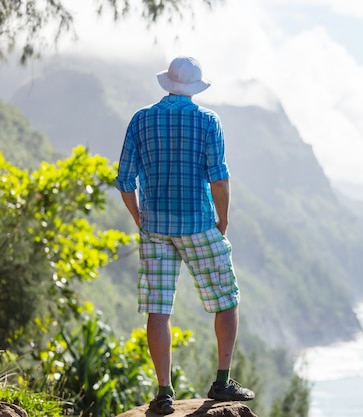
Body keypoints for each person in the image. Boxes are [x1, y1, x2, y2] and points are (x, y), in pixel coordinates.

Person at [116, 56, 255, 415]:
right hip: (198, 223)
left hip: (155, 225)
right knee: (226, 298)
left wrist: (139, 218)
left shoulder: (141, 119)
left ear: (167, 84)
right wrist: (222, 219)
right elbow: (219, 177)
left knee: (158, 308)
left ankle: (164, 393)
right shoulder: (208, 121)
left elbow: (124, 179)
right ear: (194, 88)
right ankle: (222, 381)